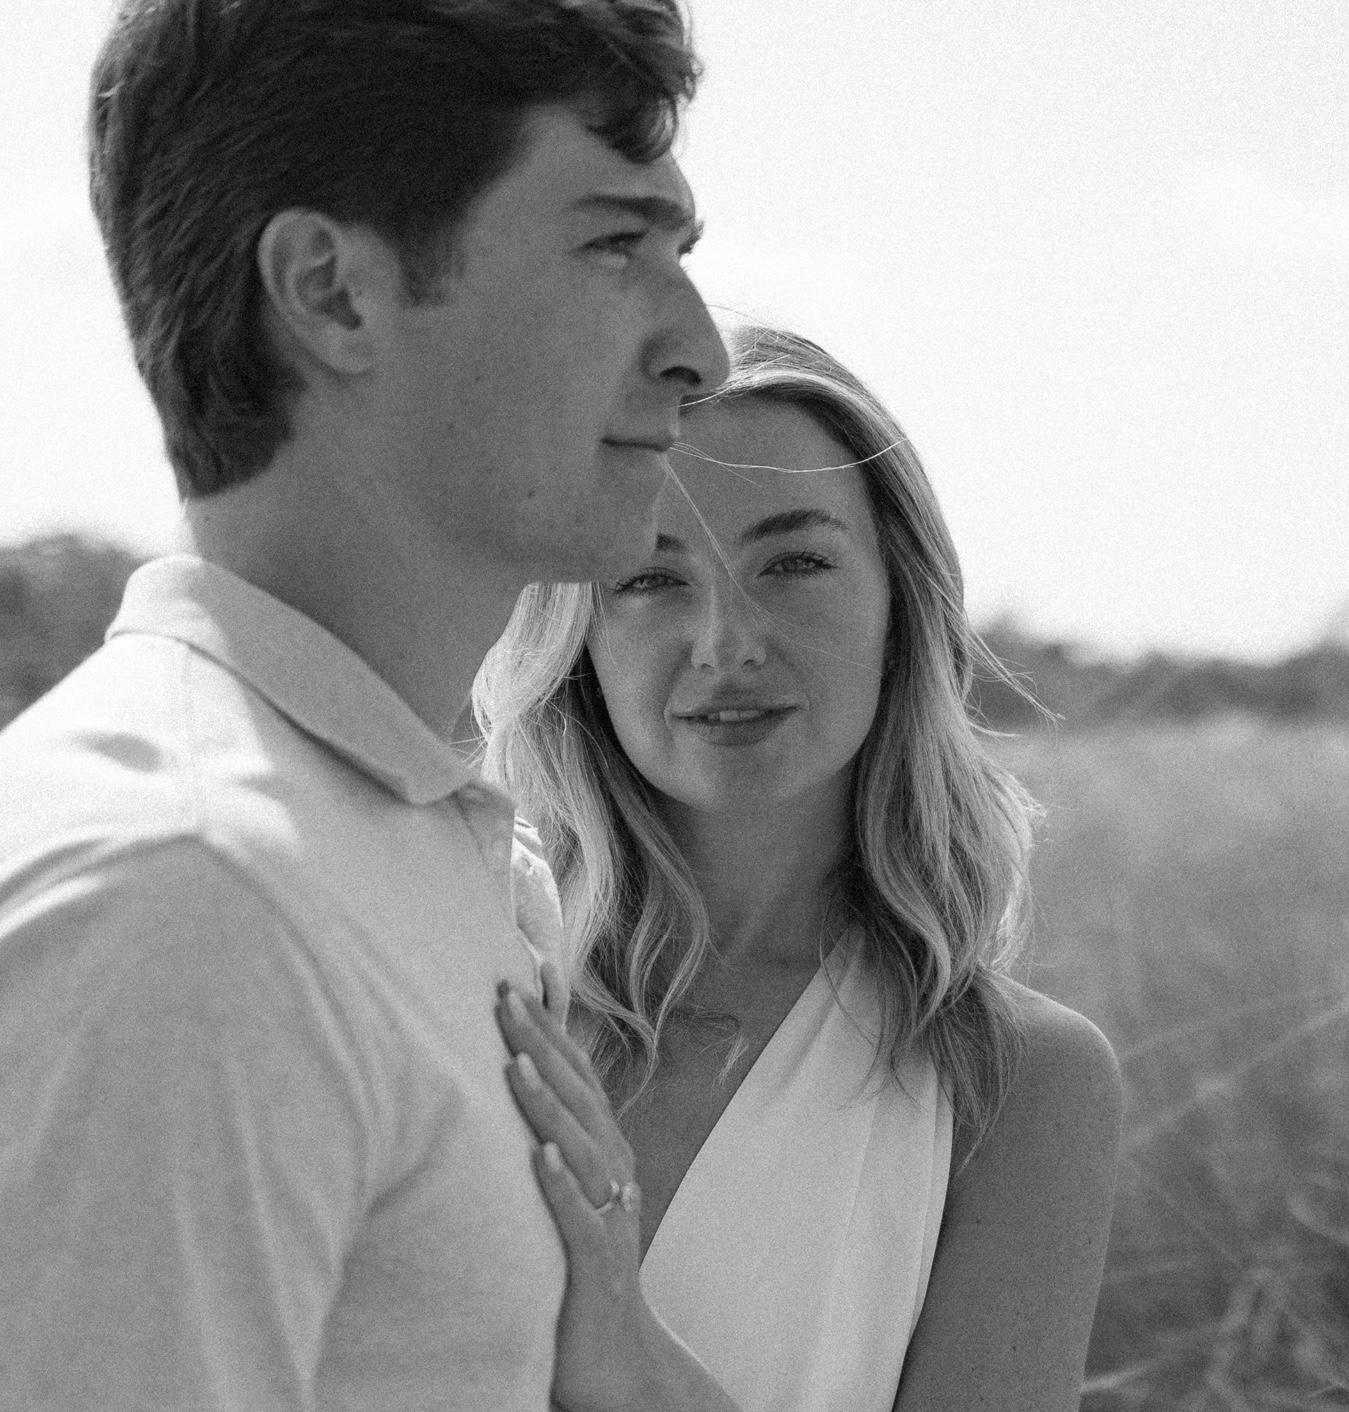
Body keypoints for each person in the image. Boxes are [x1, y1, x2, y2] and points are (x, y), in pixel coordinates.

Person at [0, 2, 730, 1408]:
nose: (698, 349)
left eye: (678, 254)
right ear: (333, 293)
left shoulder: (424, 851)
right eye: (612, 244)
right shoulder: (187, 896)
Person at [476, 324, 1124, 1412]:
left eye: (794, 564)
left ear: (899, 603)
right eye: (648, 576)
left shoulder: (1013, 1082)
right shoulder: (465, 979)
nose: (726, 641)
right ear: (577, 633)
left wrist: (622, 1346)